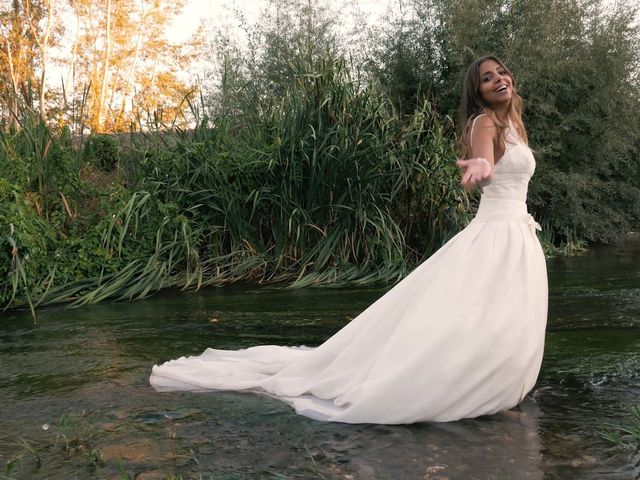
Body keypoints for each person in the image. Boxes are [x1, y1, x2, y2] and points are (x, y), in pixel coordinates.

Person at [150, 55, 548, 424]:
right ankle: (463, 380)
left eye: (501, 73)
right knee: (483, 313)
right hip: (496, 230)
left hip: (518, 231)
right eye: (487, 78)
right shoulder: (486, 124)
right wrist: (479, 167)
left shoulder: (514, 123)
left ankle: (490, 375)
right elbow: (482, 165)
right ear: (476, 91)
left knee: (497, 315)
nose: (499, 80)